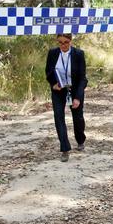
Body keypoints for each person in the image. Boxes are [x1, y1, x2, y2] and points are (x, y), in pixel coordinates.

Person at [45, 33, 87, 162]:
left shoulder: (78, 54)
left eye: (66, 42)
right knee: (58, 117)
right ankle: (64, 148)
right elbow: (48, 72)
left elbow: (82, 78)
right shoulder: (52, 53)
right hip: (59, 90)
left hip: (74, 90)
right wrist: (53, 85)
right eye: (60, 42)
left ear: (71, 41)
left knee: (78, 117)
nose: (63, 45)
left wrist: (78, 98)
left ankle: (80, 139)